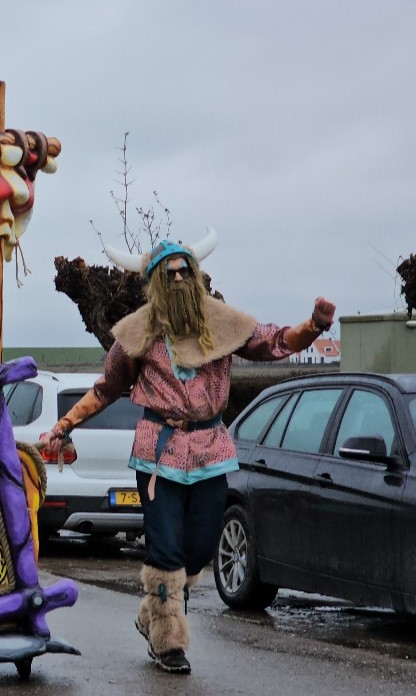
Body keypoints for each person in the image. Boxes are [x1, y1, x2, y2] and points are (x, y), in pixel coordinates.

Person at [39, 231, 335, 675]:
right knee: (165, 549)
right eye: (168, 272)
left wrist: (313, 325)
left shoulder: (222, 323)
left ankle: (150, 613)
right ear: (155, 281)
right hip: (158, 454)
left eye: (184, 270)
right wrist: (63, 425)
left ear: (195, 275)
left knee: (198, 549)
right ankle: (168, 640)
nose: (177, 277)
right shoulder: (137, 334)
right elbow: (107, 388)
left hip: (212, 451)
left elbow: (274, 341)